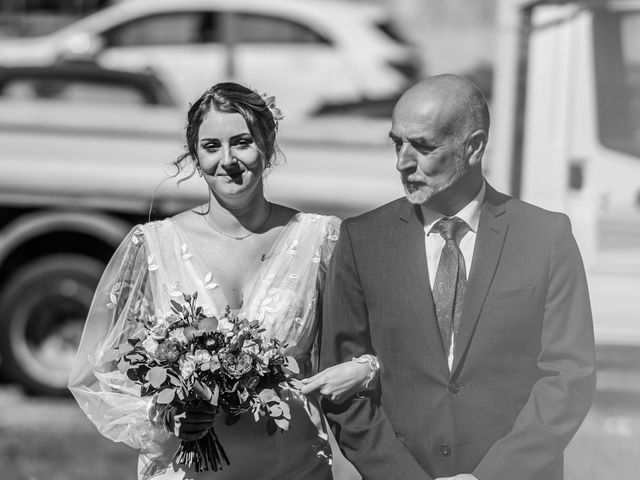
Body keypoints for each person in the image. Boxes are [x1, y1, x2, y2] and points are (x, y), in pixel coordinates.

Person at [68, 82, 377, 480]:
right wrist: (164, 415)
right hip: (185, 470)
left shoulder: (321, 239)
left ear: (267, 144)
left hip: (292, 466)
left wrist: (367, 368)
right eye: (211, 146)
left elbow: (370, 341)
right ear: (195, 156)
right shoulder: (154, 246)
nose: (227, 160)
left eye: (242, 142)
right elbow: (102, 370)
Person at [315, 74, 596, 480]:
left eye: (423, 146)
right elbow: (342, 385)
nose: (402, 162)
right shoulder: (363, 240)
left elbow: (569, 376)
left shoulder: (546, 237)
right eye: (397, 142)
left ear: (475, 146)